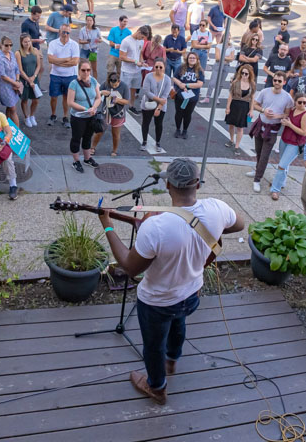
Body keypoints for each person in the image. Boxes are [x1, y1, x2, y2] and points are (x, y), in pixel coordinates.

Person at [96, 158, 244, 405]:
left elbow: (131, 267)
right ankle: (172, 361)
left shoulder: (156, 226)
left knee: (153, 346)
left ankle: (158, 388)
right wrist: (212, 230)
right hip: (192, 293)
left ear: (168, 186)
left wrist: (108, 226)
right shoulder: (217, 208)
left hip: (157, 302)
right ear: (197, 183)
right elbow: (238, 224)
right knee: (179, 323)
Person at [248, 74, 293, 192]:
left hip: (272, 130)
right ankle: (257, 170)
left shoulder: (287, 97)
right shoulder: (265, 91)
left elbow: (287, 113)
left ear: (284, 82)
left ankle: (257, 179)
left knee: (264, 156)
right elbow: (255, 104)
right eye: (275, 80)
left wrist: (277, 116)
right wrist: (263, 110)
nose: (277, 82)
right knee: (258, 152)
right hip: (260, 125)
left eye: (279, 80)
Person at [270, 93, 306, 200]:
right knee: (285, 163)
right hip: (285, 140)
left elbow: (304, 132)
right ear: (295, 101)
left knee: (282, 165)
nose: (302, 104)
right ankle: (281, 182)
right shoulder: (292, 110)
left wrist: (290, 125)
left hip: (295, 144)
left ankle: (275, 189)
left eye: (304, 102)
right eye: (300, 102)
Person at [66, 59, 102, 173]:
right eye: (83, 70)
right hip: (78, 117)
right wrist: (86, 109)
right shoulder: (74, 84)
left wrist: (94, 108)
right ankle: (76, 161)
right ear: (79, 70)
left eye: (88, 70)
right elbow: (70, 102)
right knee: (76, 139)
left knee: (87, 137)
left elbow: (98, 97)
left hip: (90, 116)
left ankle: (87, 159)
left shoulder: (93, 81)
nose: (86, 72)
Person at [47, 27, 80, 128]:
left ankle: (65, 117)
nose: (65, 34)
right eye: (63, 32)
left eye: (67, 32)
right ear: (59, 32)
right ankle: (53, 115)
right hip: (55, 75)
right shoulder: (53, 43)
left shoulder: (74, 44)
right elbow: (50, 59)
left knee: (66, 97)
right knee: (53, 97)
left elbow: (74, 62)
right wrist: (66, 59)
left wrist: (57, 61)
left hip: (70, 75)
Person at [92, 71, 129, 156]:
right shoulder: (105, 84)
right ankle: (92, 147)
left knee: (115, 134)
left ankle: (114, 151)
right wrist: (101, 92)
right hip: (106, 112)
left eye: (116, 85)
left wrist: (116, 99)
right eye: (112, 85)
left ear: (119, 81)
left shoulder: (124, 86)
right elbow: (96, 94)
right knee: (99, 131)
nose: (114, 86)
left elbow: (126, 101)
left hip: (118, 113)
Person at [139, 58, 172, 152]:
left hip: (161, 105)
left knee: (159, 124)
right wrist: (158, 100)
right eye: (156, 66)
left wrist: (159, 108)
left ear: (164, 67)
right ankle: (144, 141)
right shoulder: (148, 76)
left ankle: (158, 142)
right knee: (146, 123)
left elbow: (165, 95)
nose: (158, 68)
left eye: (160, 67)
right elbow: (146, 91)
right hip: (148, 103)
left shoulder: (167, 79)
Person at [172, 52, 204, 139]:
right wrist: (180, 84)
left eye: (194, 58)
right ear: (187, 59)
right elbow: (174, 78)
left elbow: (200, 83)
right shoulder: (181, 67)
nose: (192, 59)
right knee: (179, 113)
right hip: (180, 95)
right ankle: (178, 129)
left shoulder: (199, 70)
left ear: (197, 60)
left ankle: (185, 130)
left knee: (188, 114)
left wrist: (186, 85)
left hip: (192, 97)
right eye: (190, 58)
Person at [0, 36, 23, 128]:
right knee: (13, 109)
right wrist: (15, 83)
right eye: (6, 45)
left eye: (11, 45)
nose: (9, 47)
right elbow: (3, 75)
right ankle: (17, 131)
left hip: (14, 85)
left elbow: (17, 69)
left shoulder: (11, 54)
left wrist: (17, 81)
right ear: (1, 45)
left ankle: (7, 127)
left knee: (10, 108)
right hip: (6, 87)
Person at [120, 25, 149, 115]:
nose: (143, 39)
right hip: (127, 71)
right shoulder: (126, 41)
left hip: (137, 71)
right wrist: (135, 61)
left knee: (133, 90)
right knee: (123, 90)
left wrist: (142, 62)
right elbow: (122, 57)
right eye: (142, 37)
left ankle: (131, 106)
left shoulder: (140, 41)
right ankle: (120, 108)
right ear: (139, 32)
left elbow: (139, 53)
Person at [225, 64, 254, 152]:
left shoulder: (252, 84)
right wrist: (228, 107)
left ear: (250, 75)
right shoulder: (235, 82)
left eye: (246, 74)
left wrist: (251, 110)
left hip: (244, 107)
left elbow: (252, 98)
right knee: (231, 125)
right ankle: (231, 140)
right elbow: (230, 95)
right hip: (234, 104)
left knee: (240, 127)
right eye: (242, 73)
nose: (244, 75)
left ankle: (237, 146)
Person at [15, 33, 42, 127]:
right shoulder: (18, 53)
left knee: (36, 99)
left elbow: (38, 65)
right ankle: (26, 117)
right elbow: (20, 69)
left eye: (29, 41)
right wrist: (28, 80)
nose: (27, 43)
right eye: (25, 42)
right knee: (25, 100)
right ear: (21, 42)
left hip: (34, 79)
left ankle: (32, 115)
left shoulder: (35, 50)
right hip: (24, 80)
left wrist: (34, 77)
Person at [77, 13, 102, 79]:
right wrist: (86, 41)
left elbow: (100, 39)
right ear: (85, 21)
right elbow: (80, 41)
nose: (89, 22)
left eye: (91, 20)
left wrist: (98, 40)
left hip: (93, 50)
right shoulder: (82, 30)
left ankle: (95, 82)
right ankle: (81, 80)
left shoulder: (96, 29)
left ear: (93, 21)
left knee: (94, 68)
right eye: (88, 20)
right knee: (82, 67)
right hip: (84, 50)